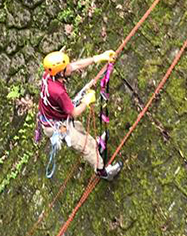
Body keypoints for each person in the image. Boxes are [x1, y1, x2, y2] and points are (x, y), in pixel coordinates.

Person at [38, 50, 123, 180]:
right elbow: (75, 112)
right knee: (83, 146)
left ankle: (95, 145)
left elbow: (75, 65)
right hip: (56, 126)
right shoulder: (58, 92)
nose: (70, 68)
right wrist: (86, 101)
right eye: (66, 67)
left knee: (79, 128)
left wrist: (98, 57)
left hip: (56, 118)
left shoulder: (49, 75)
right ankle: (102, 171)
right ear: (61, 72)